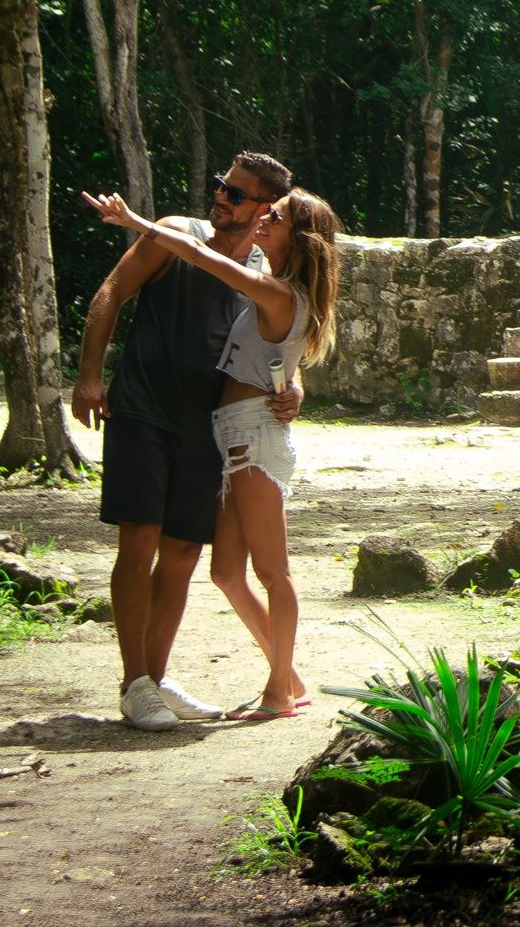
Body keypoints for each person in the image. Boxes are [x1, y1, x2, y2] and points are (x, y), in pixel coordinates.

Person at [82, 183, 340, 722]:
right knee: (224, 570)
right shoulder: (275, 283)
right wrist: (291, 386)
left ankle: (276, 692)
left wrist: (135, 220)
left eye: (271, 212)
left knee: (265, 570)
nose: (256, 215)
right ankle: (277, 676)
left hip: (244, 437)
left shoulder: (271, 286)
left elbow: (202, 259)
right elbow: (276, 358)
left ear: (292, 233)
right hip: (218, 431)